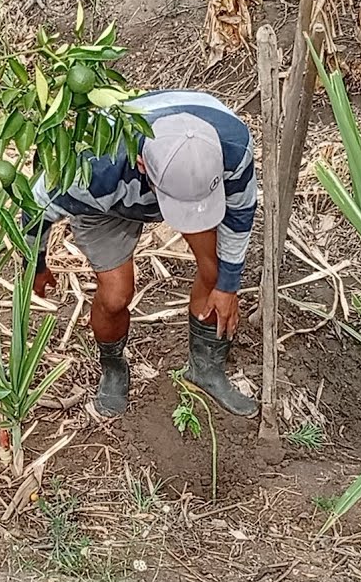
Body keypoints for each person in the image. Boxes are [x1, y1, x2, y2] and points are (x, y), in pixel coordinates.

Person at [25, 90, 258, 418]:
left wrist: (229, 285)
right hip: (106, 207)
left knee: (218, 271)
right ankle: (113, 366)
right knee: (116, 295)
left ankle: (206, 370)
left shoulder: (232, 149)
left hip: (188, 180)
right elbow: (35, 209)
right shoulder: (88, 171)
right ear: (141, 162)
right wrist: (36, 265)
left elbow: (240, 213)